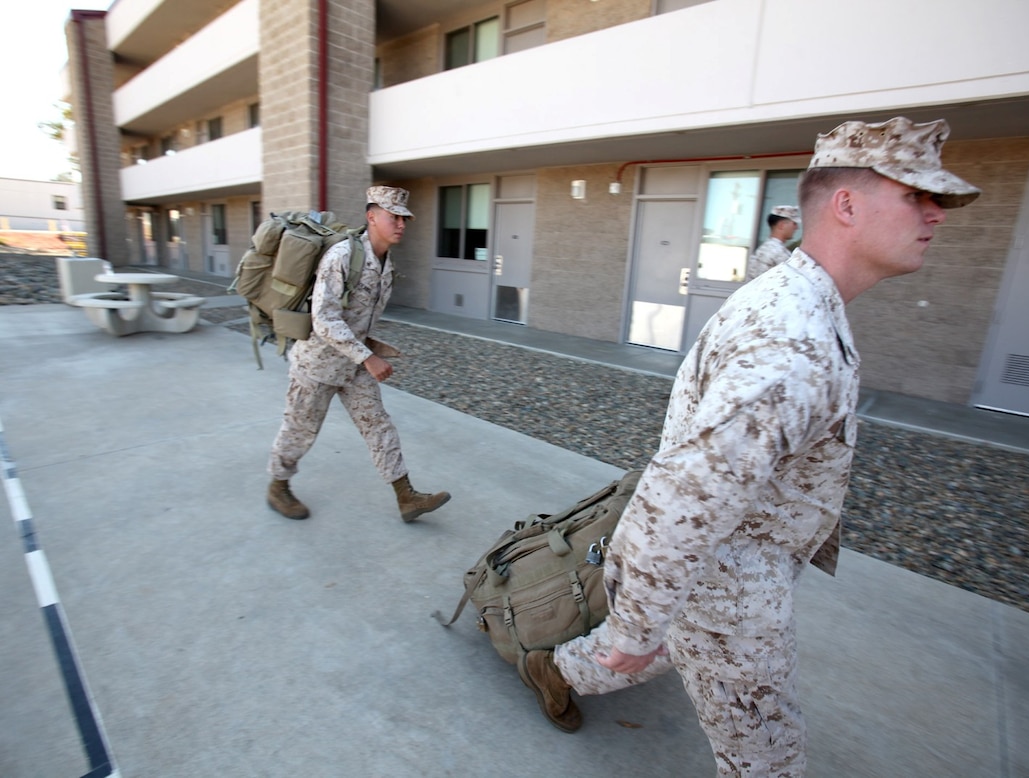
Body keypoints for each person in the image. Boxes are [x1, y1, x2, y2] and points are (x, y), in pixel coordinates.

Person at [516, 117, 980, 775]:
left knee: (666, 648)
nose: (935, 213)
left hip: (730, 564)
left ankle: (558, 669)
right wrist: (633, 624)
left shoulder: (803, 303)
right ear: (846, 204)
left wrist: (644, 629)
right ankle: (570, 662)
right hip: (728, 581)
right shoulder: (793, 344)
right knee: (767, 757)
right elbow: (679, 499)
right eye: (915, 194)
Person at [266, 186, 451, 523]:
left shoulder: (385, 263)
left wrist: (368, 353)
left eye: (403, 218)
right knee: (300, 429)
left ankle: (405, 496)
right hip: (317, 365)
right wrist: (368, 357)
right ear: (371, 217)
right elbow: (323, 319)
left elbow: (360, 318)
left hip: (353, 367)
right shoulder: (341, 257)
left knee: (378, 425)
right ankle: (278, 486)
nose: (401, 224)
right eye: (393, 216)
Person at [746, 205, 801, 281]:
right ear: (781, 225)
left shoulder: (761, 250)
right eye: (794, 223)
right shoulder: (778, 253)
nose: (797, 228)